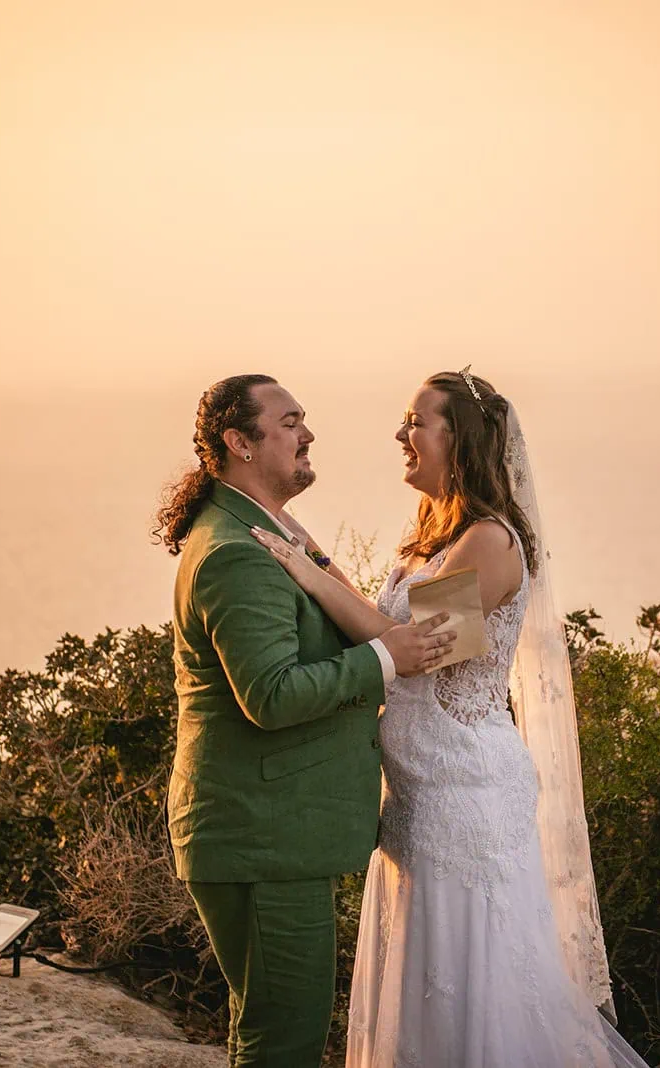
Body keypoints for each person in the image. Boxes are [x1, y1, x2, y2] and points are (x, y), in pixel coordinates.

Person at [253, 369, 648, 1067]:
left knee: (470, 985)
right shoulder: (438, 538)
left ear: (457, 440)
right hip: (420, 797)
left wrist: (306, 573)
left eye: (416, 422)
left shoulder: (492, 543)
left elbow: (416, 649)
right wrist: (305, 547)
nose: (401, 436)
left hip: (465, 798)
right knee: (422, 985)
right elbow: (384, 623)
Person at [156, 374, 455, 1067]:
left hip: (273, 832)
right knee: (281, 1041)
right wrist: (388, 656)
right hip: (261, 836)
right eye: (289, 422)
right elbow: (273, 695)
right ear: (240, 443)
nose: (307, 434)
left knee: (266, 1028)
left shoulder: (264, 527)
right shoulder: (236, 552)